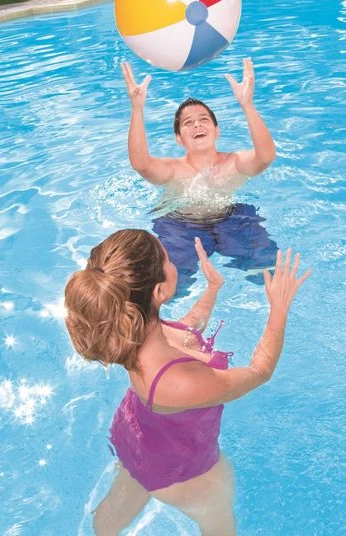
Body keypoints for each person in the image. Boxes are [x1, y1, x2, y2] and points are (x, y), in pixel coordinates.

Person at [64, 229, 310, 535]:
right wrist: (279, 309)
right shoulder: (180, 383)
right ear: (159, 292)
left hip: (135, 433)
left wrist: (213, 289)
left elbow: (188, 330)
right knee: (218, 520)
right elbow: (260, 371)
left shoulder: (136, 331)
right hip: (179, 472)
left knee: (130, 486)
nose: (173, 263)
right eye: (167, 259)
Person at [121, 58, 279, 295]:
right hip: (181, 226)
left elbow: (265, 156)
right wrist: (137, 108)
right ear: (179, 138)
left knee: (269, 271)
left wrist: (247, 105)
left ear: (216, 131)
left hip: (230, 219)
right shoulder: (173, 169)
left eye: (204, 119)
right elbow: (141, 164)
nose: (197, 125)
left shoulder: (234, 162)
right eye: (188, 123)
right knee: (169, 288)